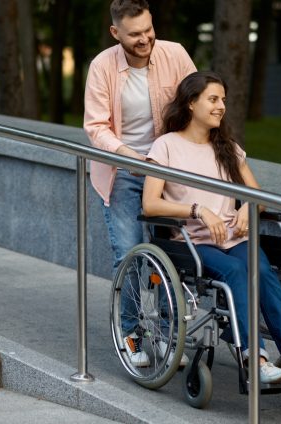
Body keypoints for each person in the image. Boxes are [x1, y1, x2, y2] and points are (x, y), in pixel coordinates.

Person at [141, 71, 281, 384]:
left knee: (263, 271)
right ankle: (257, 358)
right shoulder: (166, 146)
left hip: (232, 238)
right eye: (213, 99)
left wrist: (248, 209)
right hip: (192, 243)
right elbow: (150, 204)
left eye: (223, 100)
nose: (221, 106)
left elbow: (259, 196)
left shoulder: (227, 147)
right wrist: (198, 211)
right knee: (236, 272)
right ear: (191, 104)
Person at [84, 0, 196, 367]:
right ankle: (130, 334)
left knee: (171, 256)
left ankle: (167, 335)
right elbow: (96, 127)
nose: (145, 38)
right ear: (116, 33)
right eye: (135, 34)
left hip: (169, 173)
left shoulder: (175, 54)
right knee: (129, 256)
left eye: (149, 29)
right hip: (124, 173)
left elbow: (195, 106)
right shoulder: (103, 66)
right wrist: (132, 158)